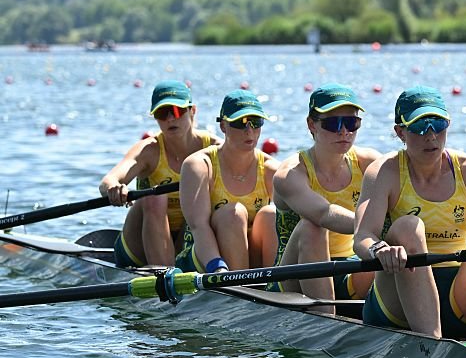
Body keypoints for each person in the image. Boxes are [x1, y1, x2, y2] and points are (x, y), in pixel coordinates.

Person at [354, 85, 466, 338]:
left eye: (438, 124)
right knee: (408, 227)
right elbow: (362, 237)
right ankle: (431, 344)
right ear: (400, 132)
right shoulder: (384, 172)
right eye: (419, 126)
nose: (431, 136)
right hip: (398, 302)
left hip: (460, 297)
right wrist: (380, 249)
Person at [269, 84, 383, 309]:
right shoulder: (290, 173)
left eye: (351, 123)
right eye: (332, 123)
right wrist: (370, 228)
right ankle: (326, 319)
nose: (344, 131)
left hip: (352, 269)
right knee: (313, 227)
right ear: (312, 125)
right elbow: (324, 213)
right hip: (293, 279)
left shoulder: (370, 163)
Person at [99, 80, 220, 267]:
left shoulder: (214, 148)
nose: (170, 119)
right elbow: (108, 180)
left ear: (193, 111)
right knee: (155, 196)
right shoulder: (149, 150)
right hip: (139, 244)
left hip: (190, 238)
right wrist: (114, 188)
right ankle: (162, 274)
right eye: (162, 113)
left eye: (177, 111)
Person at [176, 89, 280, 273]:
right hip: (205, 259)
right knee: (233, 213)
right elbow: (198, 227)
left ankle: (273, 285)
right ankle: (239, 288)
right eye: (241, 123)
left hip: (251, 260)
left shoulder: (272, 169)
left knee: (271, 214)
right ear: (223, 126)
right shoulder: (199, 165)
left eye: (256, 123)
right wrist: (218, 269)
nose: (250, 131)